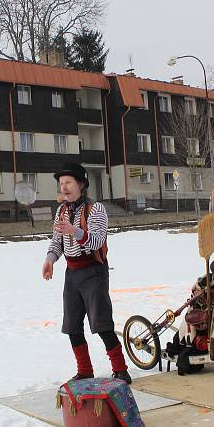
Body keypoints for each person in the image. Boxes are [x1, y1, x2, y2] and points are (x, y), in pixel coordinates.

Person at [41, 163, 132, 384]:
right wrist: (50, 260)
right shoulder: (61, 211)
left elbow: (96, 240)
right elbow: (57, 241)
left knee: (101, 324)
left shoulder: (96, 209)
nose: (64, 187)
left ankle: (120, 369)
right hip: (72, 274)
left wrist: (75, 231)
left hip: (93, 271)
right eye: (61, 183)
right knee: (72, 325)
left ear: (81, 184)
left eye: (68, 182)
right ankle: (85, 370)